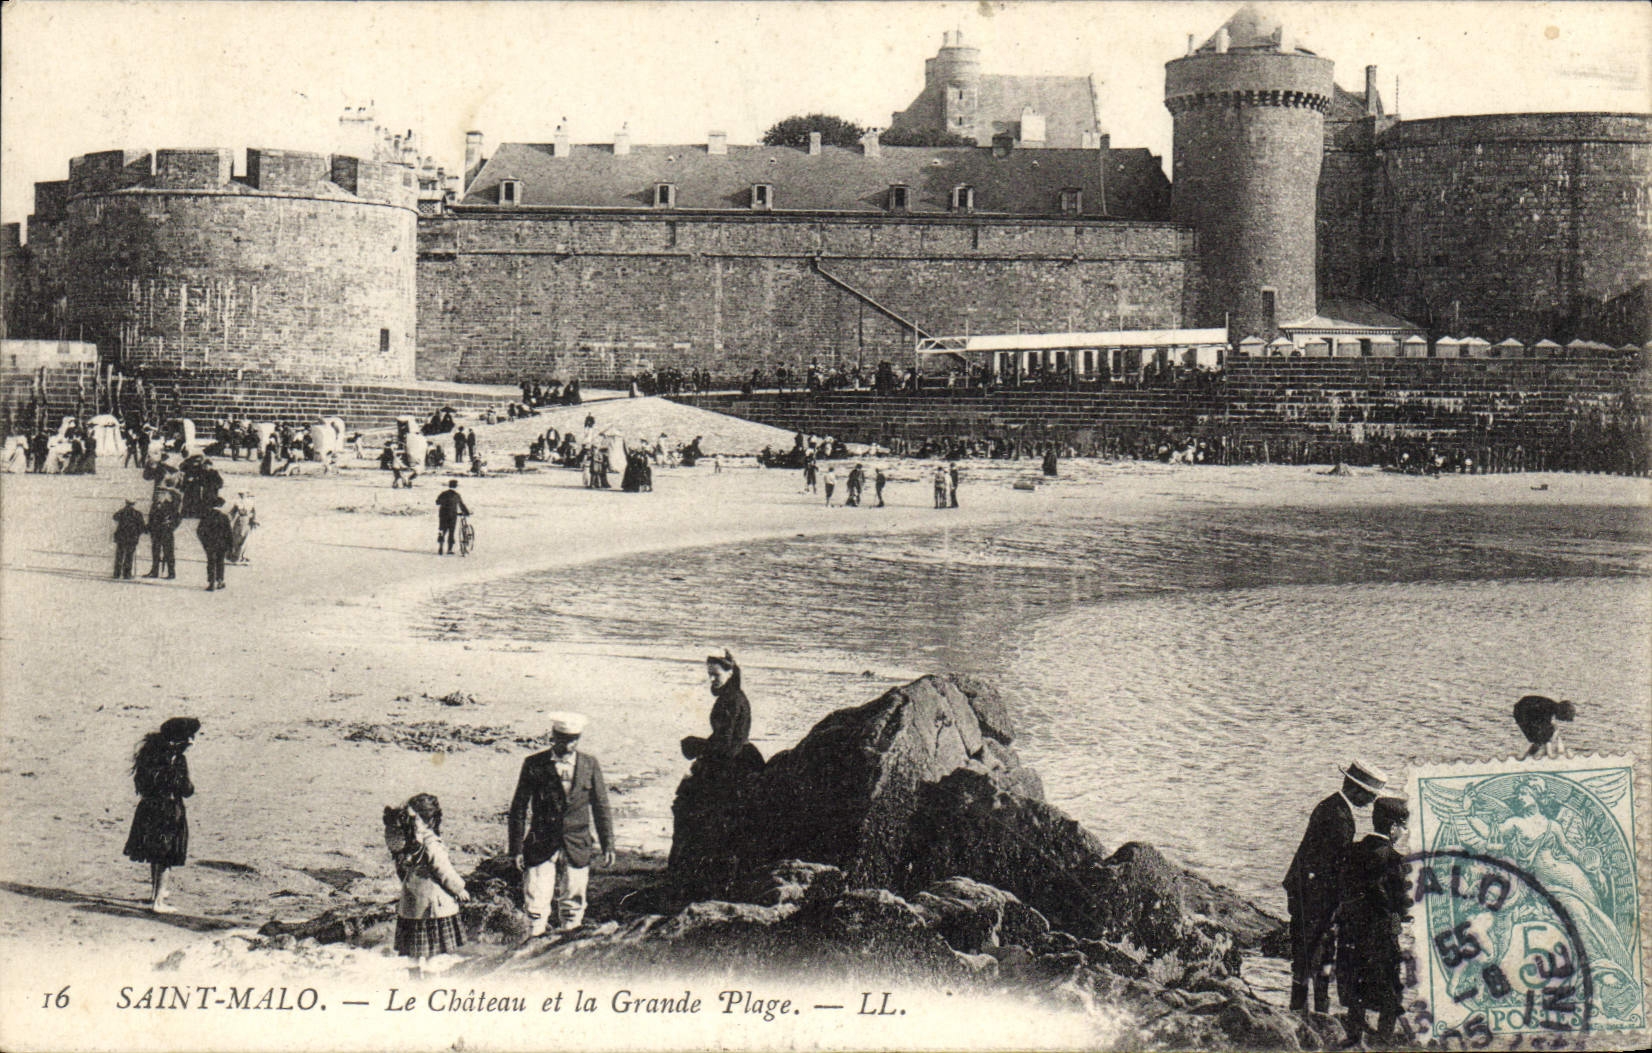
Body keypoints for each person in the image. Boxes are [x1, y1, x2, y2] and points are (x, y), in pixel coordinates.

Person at [1283, 759, 1385, 1013]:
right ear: (1356, 789)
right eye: (1370, 796)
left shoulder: (1332, 806)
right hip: (1315, 896)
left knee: (1311, 952)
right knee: (1314, 951)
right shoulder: (1338, 817)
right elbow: (1335, 866)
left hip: (1307, 890)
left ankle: (1309, 1007)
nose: (1371, 802)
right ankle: (1309, 1010)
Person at [508, 712, 616, 936]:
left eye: (574, 739)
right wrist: (516, 848)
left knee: (573, 905)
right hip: (540, 844)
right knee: (536, 903)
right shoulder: (534, 764)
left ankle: (567, 943)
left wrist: (608, 844)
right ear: (553, 736)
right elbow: (518, 808)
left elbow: (601, 807)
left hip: (577, 843)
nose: (569, 744)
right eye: (564, 739)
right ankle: (533, 942)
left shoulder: (589, 764)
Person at [1336, 797, 1410, 1045]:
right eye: (1403, 826)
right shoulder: (1393, 859)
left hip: (1353, 931)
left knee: (1357, 982)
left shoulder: (1355, 851)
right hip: (1381, 933)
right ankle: (1384, 1039)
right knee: (1390, 988)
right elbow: (1398, 900)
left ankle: (1353, 1034)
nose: (1404, 831)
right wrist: (1400, 913)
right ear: (1392, 829)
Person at [384, 794, 472, 978]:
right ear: (430, 818)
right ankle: (431, 990)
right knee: (433, 954)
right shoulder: (431, 842)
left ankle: (415, 986)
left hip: (410, 907)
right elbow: (444, 871)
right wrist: (460, 889)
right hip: (431, 909)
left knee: (412, 955)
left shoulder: (407, 844)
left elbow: (402, 871)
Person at [123, 717, 199, 913]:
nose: (191, 742)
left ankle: (155, 893)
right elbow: (186, 788)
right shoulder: (176, 759)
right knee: (165, 855)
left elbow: (142, 783)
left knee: (155, 852)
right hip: (168, 810)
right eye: (189, 738)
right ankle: (159, 901)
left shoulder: (149, 754)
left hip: (149, 808)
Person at [1513, 695, 1574, 759]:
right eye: (1564, 718)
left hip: (1523, 712)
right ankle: (1534, 755)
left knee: (1539, 738)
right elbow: (1545, 727)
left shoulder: (1550, 706)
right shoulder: (1548, 709)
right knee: (1543, 736)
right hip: (1522, 713)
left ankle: (1533, 754)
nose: (1562, 720)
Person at [196, 496, 234, 591]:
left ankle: (211, 582)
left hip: (210, 544)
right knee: (220, 562)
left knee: (211, 562)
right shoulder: (224, 517)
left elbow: (199, 531)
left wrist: (204, 542)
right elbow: (229, 532)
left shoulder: (206, 515)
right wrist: (230, 545)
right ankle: (220, 581)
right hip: (222, 544)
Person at [145, 484, 181, 579]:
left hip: (166, 532)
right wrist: (148, 528)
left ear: (165, 495)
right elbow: (151, 518)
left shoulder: (170, 505)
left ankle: (171, 573)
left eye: (160, 494)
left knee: (168, 552)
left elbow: (177, 518)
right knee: (155, 552)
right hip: (155, 533)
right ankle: (154, 571)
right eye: (157, 494)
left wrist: (171, 526)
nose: (158, 496)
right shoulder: (154, 505)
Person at [112, 499, 146, 580]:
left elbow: (115, 517)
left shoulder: (122, 512)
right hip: (132, 538)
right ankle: (127, 574)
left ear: (126, 503)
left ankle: (117, 573)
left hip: (122, 537)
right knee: (129, 556)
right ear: (134, 504)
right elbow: (142, 526)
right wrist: (138, 534)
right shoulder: (137, 514)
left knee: (119, 555)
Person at [435, 479, 469, 555]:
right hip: (452, 515)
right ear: (456, 486)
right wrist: (467, 512)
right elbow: (461, 505)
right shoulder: (457, 495)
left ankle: (440, 547)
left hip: (443, 515)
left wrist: (444, 503)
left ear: (449, 485)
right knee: (451, 532)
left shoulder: (443, 493)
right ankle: (449, 549)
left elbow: (437, 502)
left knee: (442, 531)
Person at [227, 491, 258, 564]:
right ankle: (238, 557)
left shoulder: (240, 503)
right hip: (244, 521)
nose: (241, 495)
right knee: (242, 539)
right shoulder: (249, 503)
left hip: (243, 521)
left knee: (240, 539)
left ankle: (237, 557)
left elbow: (232, 513)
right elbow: (254, 514)